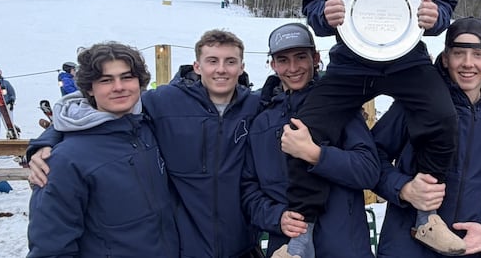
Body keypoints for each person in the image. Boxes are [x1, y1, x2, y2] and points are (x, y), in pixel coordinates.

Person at [281, 0, 460, 258]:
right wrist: (326, 15)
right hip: (351, 61)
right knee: (300, 129)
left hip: (406, 58)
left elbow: (446, 3)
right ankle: (301, 236)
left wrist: (437, 18)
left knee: (442, 118)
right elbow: (311, 7)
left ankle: (425, 218)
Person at [29, 30, 263, 258]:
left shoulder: (256, 105)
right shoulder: (165, 103)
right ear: (197, 66)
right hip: (190, 247)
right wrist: (44, 142)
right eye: (106, 80)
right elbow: (80, 118)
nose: (221, 69)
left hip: (238, 244)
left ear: (242, 67)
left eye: (230, 61)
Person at [373, 17, 481, 257]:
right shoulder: (417, 103)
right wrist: (403, 188)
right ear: (444, 58)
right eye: (458, 54)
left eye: (478, 55)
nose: (468, 64)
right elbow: (370, 157)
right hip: (408, 247)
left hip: (471, 248)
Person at [27, 42, 179, 257]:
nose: (119, 87)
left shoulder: (148, 128)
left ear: (139, 82)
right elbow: (51, 248)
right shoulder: (64, 160)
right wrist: (44, 143)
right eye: (106, 80)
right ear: (89, 87)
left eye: (127, 77)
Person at [241, 23, 379, 258]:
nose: (293, 68)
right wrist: (277, 217)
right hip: (287, 248)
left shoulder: (339, 107)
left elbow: (369, 170)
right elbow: (248, 189)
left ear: (315, 58)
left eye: (301, 57)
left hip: (344, 247)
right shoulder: (261, 121)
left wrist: (317, 155)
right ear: (273, 64)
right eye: (283, 60)